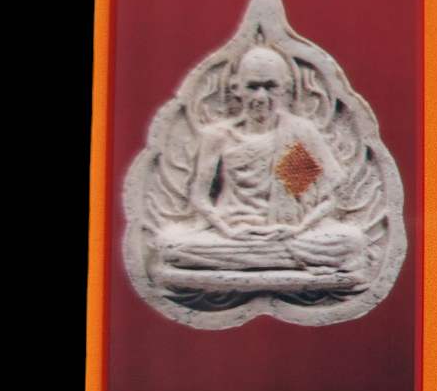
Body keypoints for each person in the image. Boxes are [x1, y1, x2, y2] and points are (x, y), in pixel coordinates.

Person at [157, 45, 367, 279]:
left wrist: (298, 228)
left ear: (285, 88)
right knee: (171, 245)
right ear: (236, 88)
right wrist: (228, 230)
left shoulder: (297, 131)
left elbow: (329, 197)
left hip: (288, 233)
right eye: (253, 86)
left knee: (351, 241)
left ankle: (259, 259)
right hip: (232, 234)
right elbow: (200, 197)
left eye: (270, 87)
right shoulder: (217, 136)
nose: (261, 97)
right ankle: (278, 260)